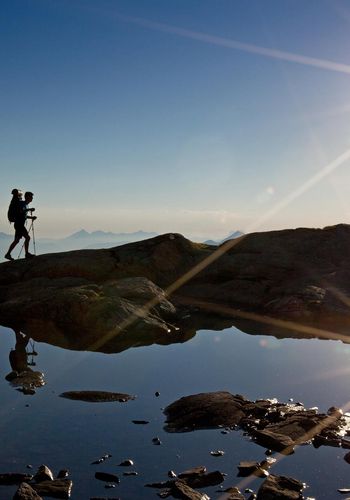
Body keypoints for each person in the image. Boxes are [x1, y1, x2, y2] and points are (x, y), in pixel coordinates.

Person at [5, 191, 37, 260]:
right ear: (27, 197)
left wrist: (31, 217)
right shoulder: (22, 204)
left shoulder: (25, 204)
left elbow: (23, 215)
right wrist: (29, 209)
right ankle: (27, 254)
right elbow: (21, 212)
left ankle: (8, 254)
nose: (32, 198)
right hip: (19, 225)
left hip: (18, 224)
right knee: (27, 238)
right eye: (31, 197)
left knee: (16, 240)